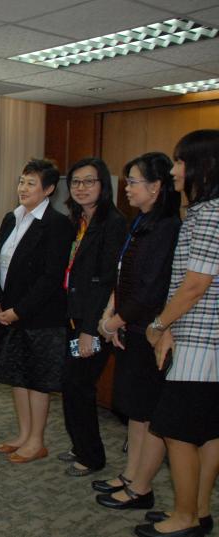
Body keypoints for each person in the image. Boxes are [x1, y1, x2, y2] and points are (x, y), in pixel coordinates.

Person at [140, 129, 219, 537]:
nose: (174, 171)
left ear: (204, 166)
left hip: (199, 344)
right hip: (206, 344)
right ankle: (198, 510)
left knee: (176, 431)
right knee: (207, 432)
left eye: (180, 162)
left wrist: (159, 325)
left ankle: (186, 516)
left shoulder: (208, 215)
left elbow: (194, 285)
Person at [92, 153, 180, 511]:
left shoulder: (167, 227)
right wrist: (111, 313)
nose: (126, 188)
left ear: (156, 187)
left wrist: (114, 322)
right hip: (130, 325)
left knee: (144, 410)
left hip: (148, 331)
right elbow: (123, 276)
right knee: (132, 409)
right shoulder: (140, 222)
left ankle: (141, 487)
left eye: (133, 182)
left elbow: (151, 289)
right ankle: (130, 475)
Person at [0, 159, 73, 464]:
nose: (23, 188)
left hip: (40, 317)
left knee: (37, 379)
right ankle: (23, 435)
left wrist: (19, 311)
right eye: (22, 181)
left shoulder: (58, 224)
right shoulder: (12, 218)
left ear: (48, 190)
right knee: (18, 375)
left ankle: (37, 440)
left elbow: (51, 277)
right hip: (8, 313)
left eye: (31, 183)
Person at [60, 157, 127, 476]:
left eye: (89, 181)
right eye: (75, 182)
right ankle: (80, 445)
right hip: (74, 317)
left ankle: (91, 456)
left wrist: (89, 330)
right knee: (71, 384)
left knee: (79, 385)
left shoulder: (113, 223)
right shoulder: (78, 221)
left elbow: (107, 281)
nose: (81, 188)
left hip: (94, 322)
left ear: (103, 186)